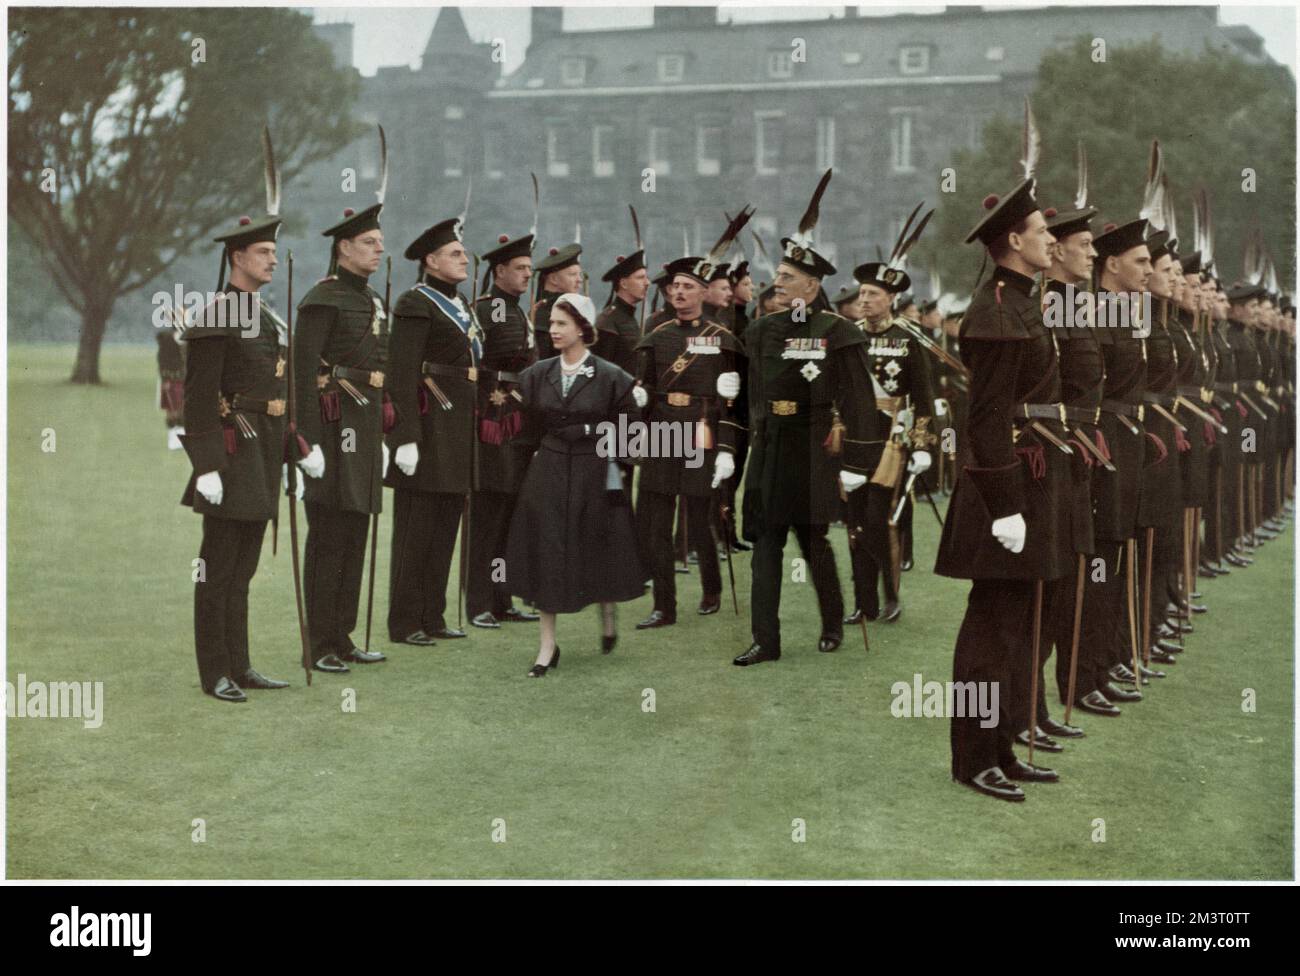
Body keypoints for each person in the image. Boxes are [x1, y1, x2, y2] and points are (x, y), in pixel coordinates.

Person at [934, 179, 1072, 801]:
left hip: (1026, 479)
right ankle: (973, 758)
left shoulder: (1022, 301)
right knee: (989, 631)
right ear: (1014, 241)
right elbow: (986, 417)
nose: (1051, 240)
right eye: (1043, 232)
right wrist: (1004, 507)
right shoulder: (994, 311)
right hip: (1004, 488)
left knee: (1013, 629)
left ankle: (1002, 747)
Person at [736, 170, 882, 666]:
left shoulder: (839, 332)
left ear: (813, 285)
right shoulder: (762, 331)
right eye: (777, 277)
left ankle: (831, 621)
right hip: (771, 447)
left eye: (788, 279)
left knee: (814, 541)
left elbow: (861, 404)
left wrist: (858, 465)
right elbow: (751, 396)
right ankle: (765, 640)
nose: (777, 284)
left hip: (815, 447)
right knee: (765, 546)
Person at [179, 212, 292, 702]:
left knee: (243, 571)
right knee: (217, 569)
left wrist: (294, 454)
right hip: (229, 456)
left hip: (263, 453)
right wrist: (205, 465)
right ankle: (216, 673)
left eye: (272, 252)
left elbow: (275, 392)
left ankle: (241, 664)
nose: (272, 261)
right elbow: (198, 396)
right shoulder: (218, 314)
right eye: (263, 253)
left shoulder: (264, 315)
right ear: (238, 258)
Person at [505, 293, 645, 675]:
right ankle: (547, 647)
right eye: (551, 323)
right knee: (548, 550)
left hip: (594, 470)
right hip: (549, 472)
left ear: (583, 328)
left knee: (597, 544)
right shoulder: (536, 375)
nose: (553, 330)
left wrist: (591, 429)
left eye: (561, 324)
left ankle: (607, 613)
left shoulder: (612, 376)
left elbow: (633, 434)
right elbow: (526, 430)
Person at [293, 204, 391, 674]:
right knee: (329, 537)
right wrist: (305, 444)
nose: (379, 250)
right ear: (343, 248)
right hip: (331, 433)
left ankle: (343, 635)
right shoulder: (321, 299)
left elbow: (380, 373)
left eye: (380, 242)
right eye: (369, 243)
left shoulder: (373, 300)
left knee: (355, 533)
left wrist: (383, 435)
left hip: (365, 428)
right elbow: (302, 373)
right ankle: (319, 643)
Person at [634, 252, 744, 628]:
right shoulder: (656, 338)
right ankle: (664, 605)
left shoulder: (723, 340)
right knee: (658, 523)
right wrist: (639, 401)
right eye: (674, 287)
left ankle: (711, 589)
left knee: (700, 518)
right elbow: (644, 387)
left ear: (703, 292)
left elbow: (733, 404)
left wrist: (727, 447)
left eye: (687, 287)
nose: (678, 293)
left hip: (702, 429)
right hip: (663, 432)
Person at [385, 216, 481, 644]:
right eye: (455, 254)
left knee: (445, 525)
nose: (465, 260)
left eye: (464, 253)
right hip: (427, 425)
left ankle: (433, 614)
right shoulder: (415, 302)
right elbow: (401, 373)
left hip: (459, 427)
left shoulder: (462, 305)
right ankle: (405, 621)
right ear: (430, 260)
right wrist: (404, 436)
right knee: (417, 527)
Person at [845, 253, 936, 625]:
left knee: (879, 518)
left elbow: (924, 397)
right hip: (854, 439)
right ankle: (863, 603)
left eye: (872, 294)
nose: (864, 300)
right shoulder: (849, 338)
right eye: (861, 294)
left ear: (891, 299)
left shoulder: (908, 338)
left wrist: (923, 444)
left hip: (891, 439)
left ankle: (890, 594)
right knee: (855, 523)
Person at [467, 231, 541, 629]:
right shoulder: (492, 308)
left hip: (518, 424)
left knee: (508, 519)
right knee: (488, 520)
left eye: (530, 268)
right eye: (520, 268)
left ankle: (501, 597)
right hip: (494, 422)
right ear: (499, 271)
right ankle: (478, 602)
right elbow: (484, 360)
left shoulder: (516, 308)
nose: (528, 274)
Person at [531, 243, 582, 359]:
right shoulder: (541, 314)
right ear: (554, 279)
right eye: (573, 275)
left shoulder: (573, 311)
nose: (579, 280)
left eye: (579, 275)